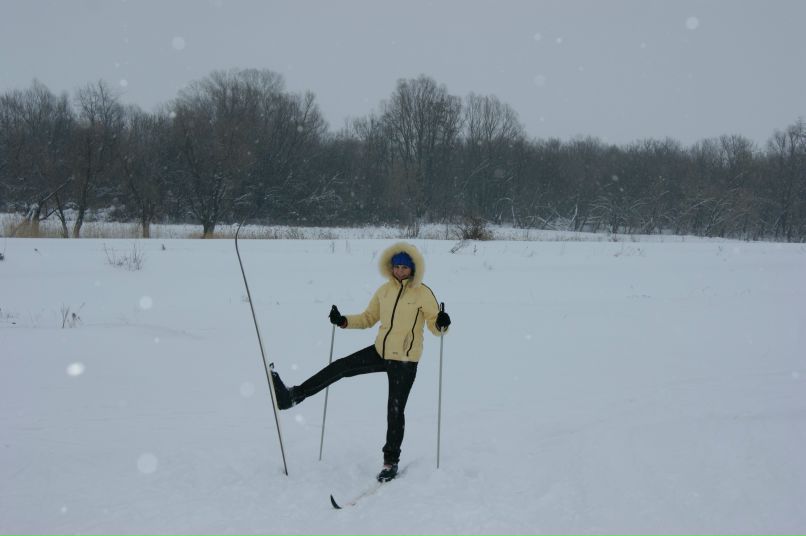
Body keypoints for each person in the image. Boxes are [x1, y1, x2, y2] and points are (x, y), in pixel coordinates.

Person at [270, 241, 451, 482]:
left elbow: (434, 326)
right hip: (380, 351)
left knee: (394, 410)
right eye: (396, 266)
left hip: (405, 360)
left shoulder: (422, 292)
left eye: (404, 268)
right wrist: (343, 320)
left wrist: (442, 322)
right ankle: (292, 396)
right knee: (341, 366)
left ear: (413, 269)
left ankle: (390, 462)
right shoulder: (384, 290)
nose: (399, 271)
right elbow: (368, 318)